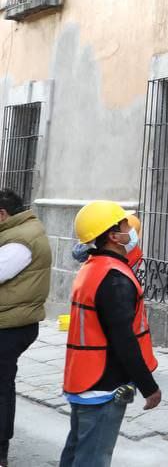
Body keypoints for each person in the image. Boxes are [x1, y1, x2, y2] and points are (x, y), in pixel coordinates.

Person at [61, 201, 161, 467]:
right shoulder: (115, 278)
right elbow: (124, 340)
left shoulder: (93, 268)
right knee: (92, 459)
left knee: (76, 454)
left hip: (84, 378)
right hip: (103, 384)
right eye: (125, 224)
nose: (131, 227)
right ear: (114, 236)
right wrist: (148, 386)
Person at [0, 189, 50, 467]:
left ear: (2, 214)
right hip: (11, 321)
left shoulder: (21, 239)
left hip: (10, 325)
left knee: (1, 388)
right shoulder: (19, 231)